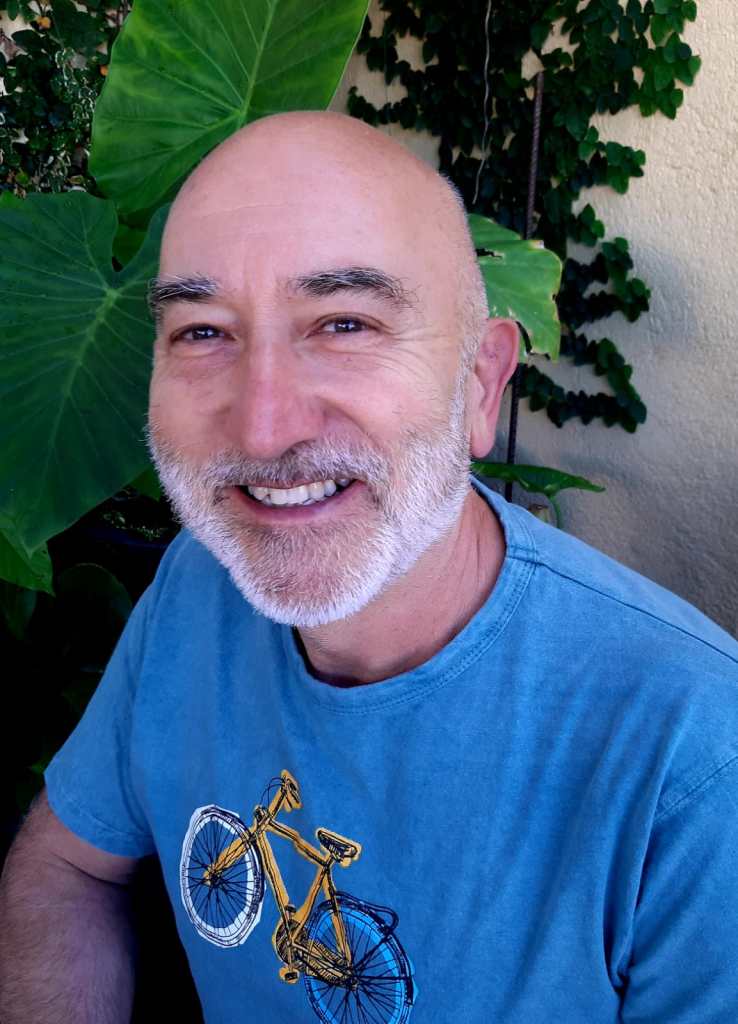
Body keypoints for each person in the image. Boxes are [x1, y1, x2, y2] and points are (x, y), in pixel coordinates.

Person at [1, 111, 737, 1024]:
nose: (262, 428)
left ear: (480, 382)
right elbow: (70, 864)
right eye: (202, 332)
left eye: (344, 323)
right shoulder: (196, 588)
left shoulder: (697, 761)